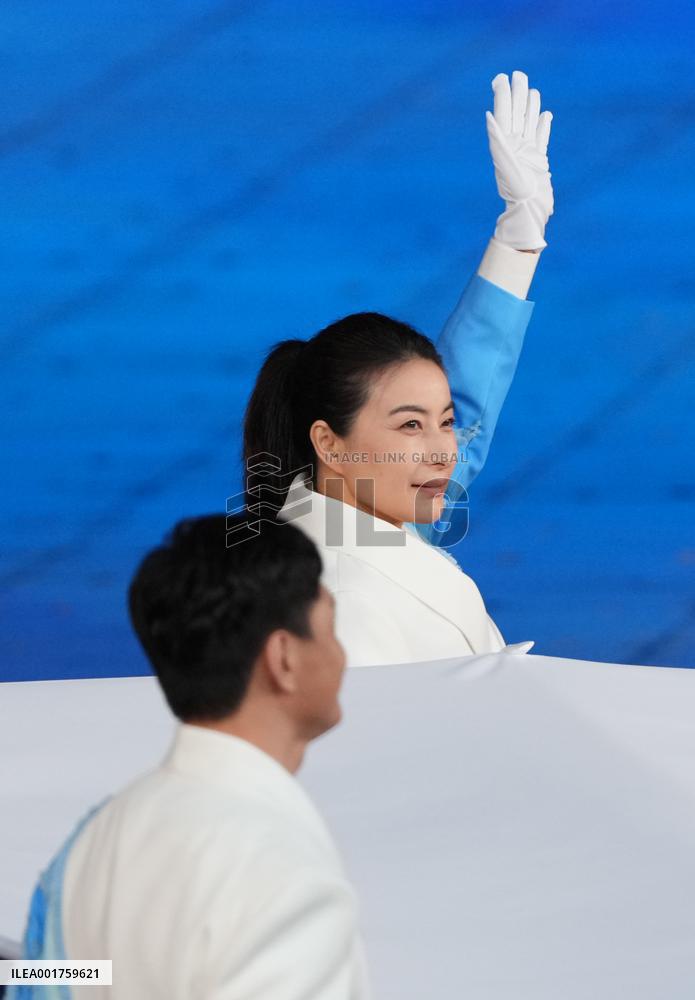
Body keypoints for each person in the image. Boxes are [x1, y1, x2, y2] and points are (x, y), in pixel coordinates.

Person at [241, 70, 553, 667]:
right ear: (330, 442)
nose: (446, 451)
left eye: (443, 424)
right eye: (411, 426)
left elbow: (466, 404)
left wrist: (519, 239)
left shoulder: (366, 519)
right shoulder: (337, 603)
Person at [8, 513, 370, 1000]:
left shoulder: (95, 840)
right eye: (330, 628)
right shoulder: (280, 871)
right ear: (283, 657)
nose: (341, 654)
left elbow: (66, 976)